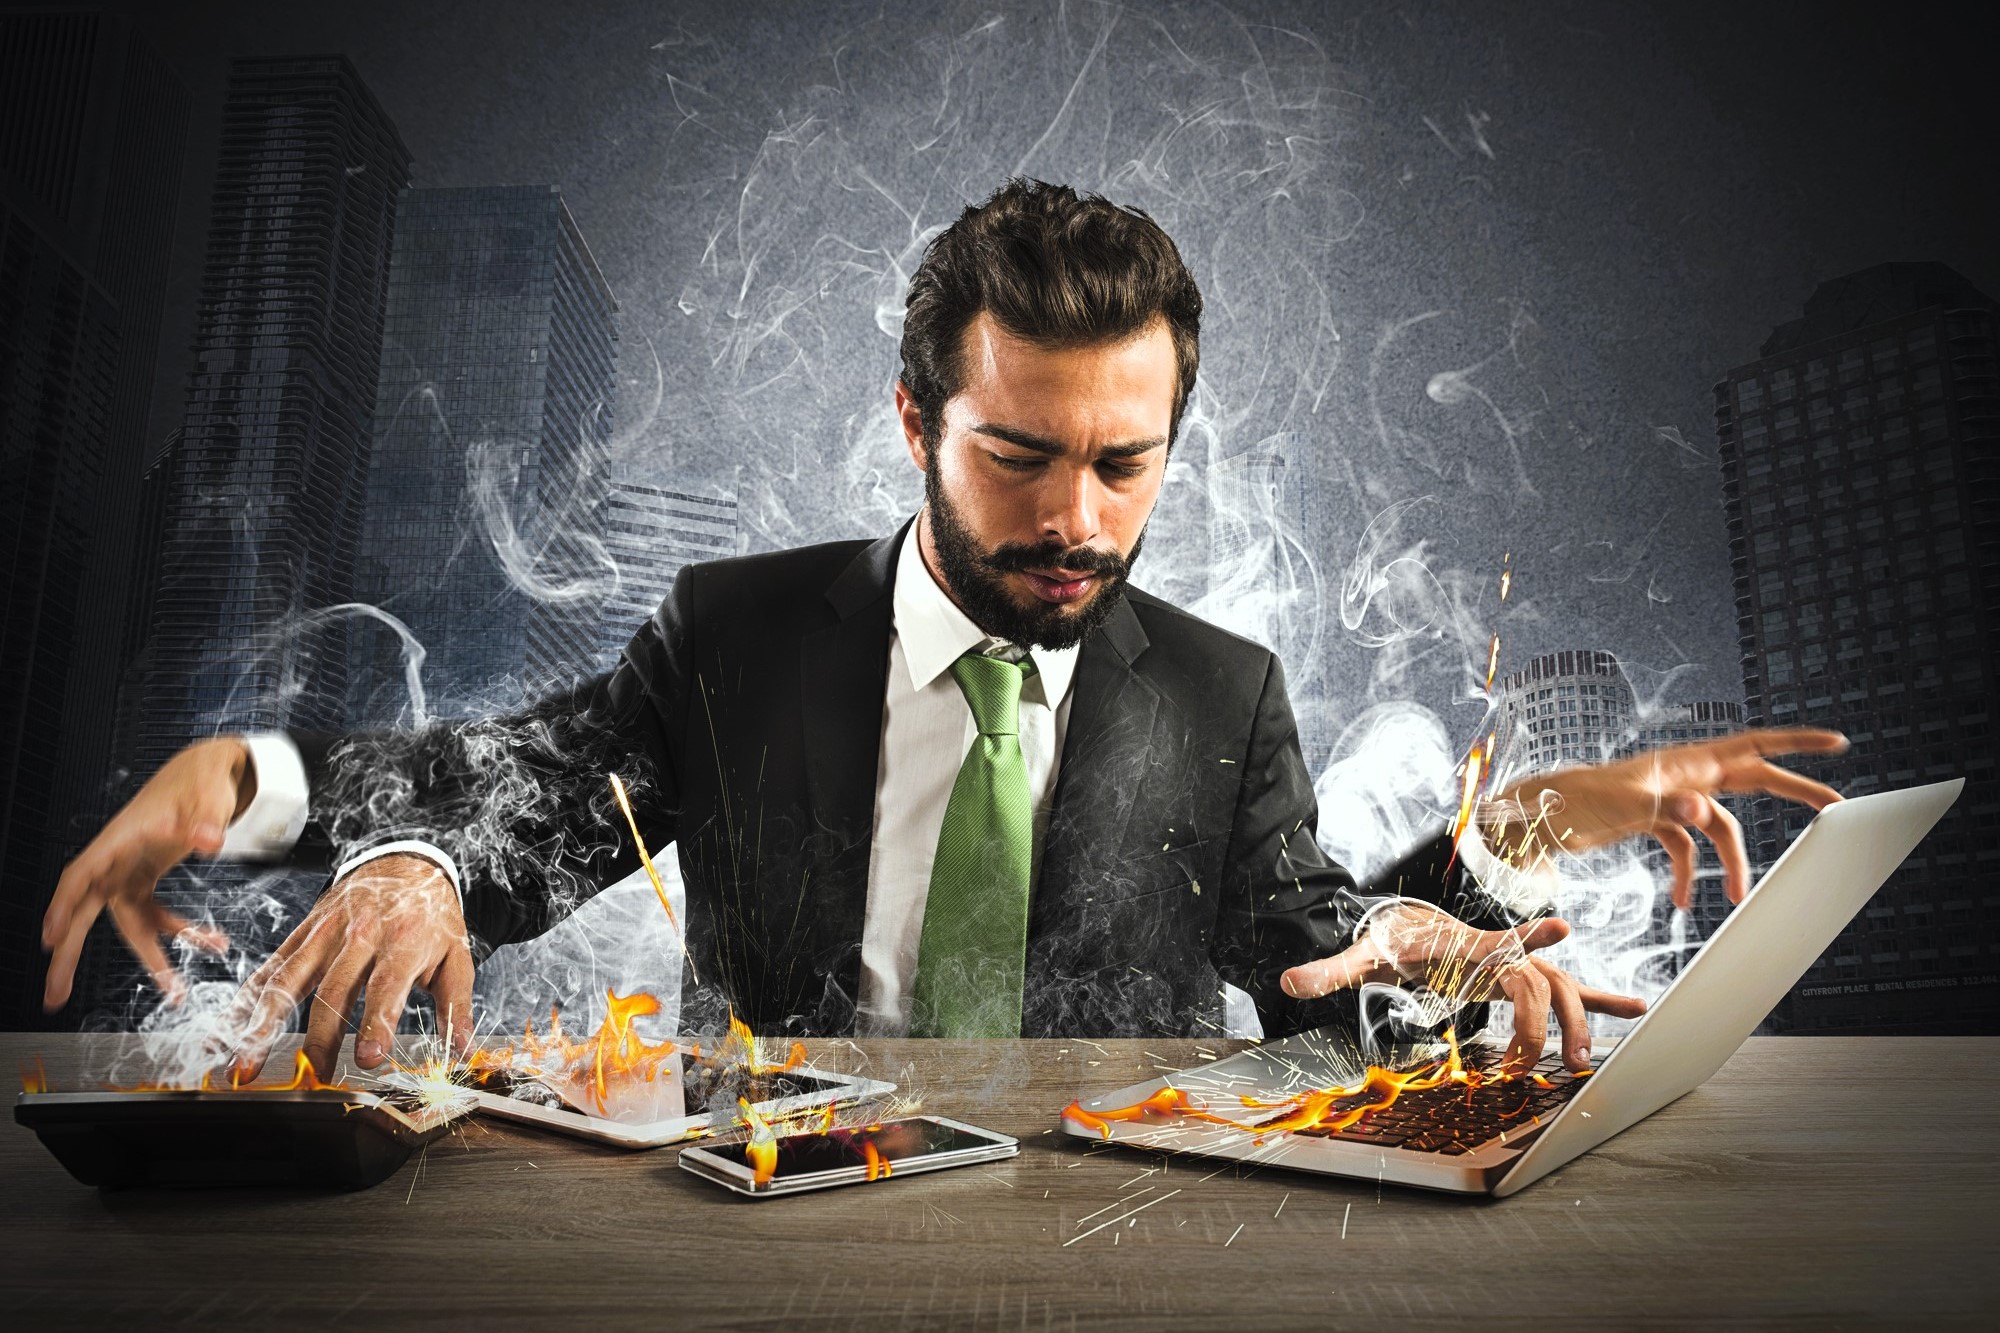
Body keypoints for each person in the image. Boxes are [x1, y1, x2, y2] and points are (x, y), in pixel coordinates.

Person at [39, 180, 1843, 1082]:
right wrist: (252, 781)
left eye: (1126, 464)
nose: (1077, 519)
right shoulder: (732, 638)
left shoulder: (1223, 694)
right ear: (916, 426)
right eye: (1019, 455)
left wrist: (1507, 862)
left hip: (1131, 1252)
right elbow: (509, 793)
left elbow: (1318, 931)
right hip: (770, 1240)